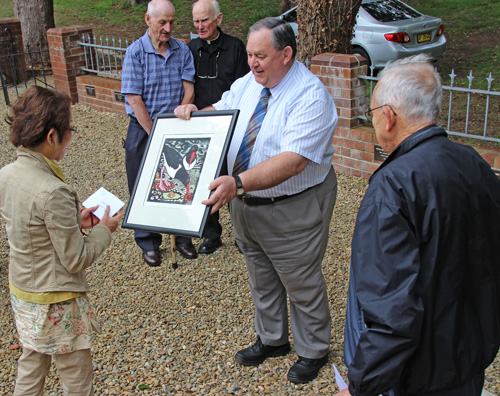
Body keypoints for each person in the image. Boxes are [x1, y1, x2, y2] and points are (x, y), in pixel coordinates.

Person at [175, 17, 338, 384]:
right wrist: (195, 115)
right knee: (261, 275)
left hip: (293, 205)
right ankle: (273, 339)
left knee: (300, 280)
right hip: (248, 203)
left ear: (286, 53)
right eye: (249, 54)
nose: (252, 62)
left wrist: (237, 183)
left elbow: (294, 161)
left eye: (260, 55)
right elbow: (224, 109)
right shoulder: (250, 83)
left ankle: (313, 350)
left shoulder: (311, 95)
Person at [337, 54, 500, 396]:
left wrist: (360, 385)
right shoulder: (474, 163)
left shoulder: (391, 187)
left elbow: (391, 311)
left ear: (389, 116)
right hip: (468, 359)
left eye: (373, 112)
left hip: (415, 376)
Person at [0, 86, 123, 396]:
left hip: (24, 290)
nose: (72, 136)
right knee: (76, 375)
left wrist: (72, 221)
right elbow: (75, 259)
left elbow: (33, 227)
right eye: (70, 129)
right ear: (52, 135)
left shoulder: (7, 175)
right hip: (56, 299)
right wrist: (104, 229)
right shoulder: (54, 191)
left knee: (32, 362)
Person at [121, 0, 197, 266]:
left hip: (176, 124)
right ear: (147, 20)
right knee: (142, 184)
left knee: (180, 182)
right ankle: (149, 241)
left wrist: (183, 108)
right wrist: (154, 132)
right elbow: (133, 98)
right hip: (145, 127)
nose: (167, 28)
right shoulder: (135, 53)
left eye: (172, 22)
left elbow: (189, 87)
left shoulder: (182, 49)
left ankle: (184, 237)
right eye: (162, 22)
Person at [188, 0, 250, 255]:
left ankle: (243, 234)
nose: (200, 26)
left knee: (236, 179)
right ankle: (211, 234)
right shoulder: (190, 49)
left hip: (231, 123)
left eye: (205, 20)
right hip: (202, 123)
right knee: (205, 179)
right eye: (196, 21)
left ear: (219, 19)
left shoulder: (235, 47)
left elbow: (245, 88)